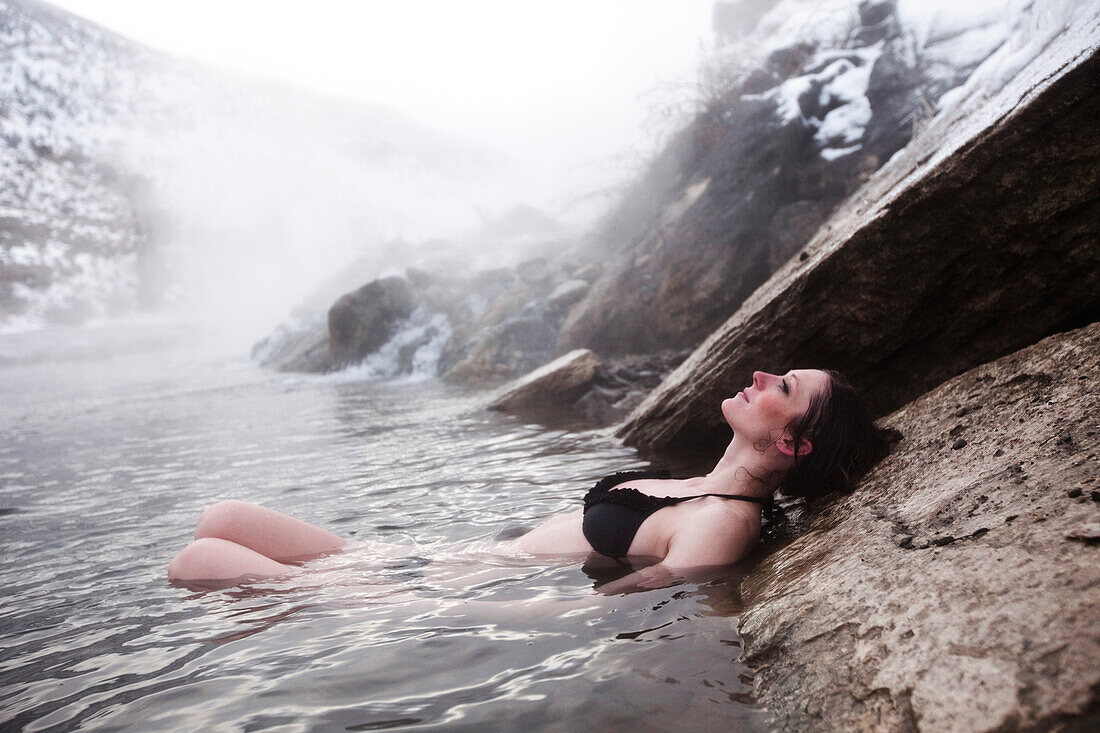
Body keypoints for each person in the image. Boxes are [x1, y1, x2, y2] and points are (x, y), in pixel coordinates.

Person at [167, 369, 886, 592]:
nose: (761, 374)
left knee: (195, 559)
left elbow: (603, 607)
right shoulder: (709, 483)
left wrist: (453, 615)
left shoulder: (723, 524)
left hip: (435, 594)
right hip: (449, 558)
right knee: (222, 515)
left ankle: (289, 596)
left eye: (782, 386)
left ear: (793, 441)